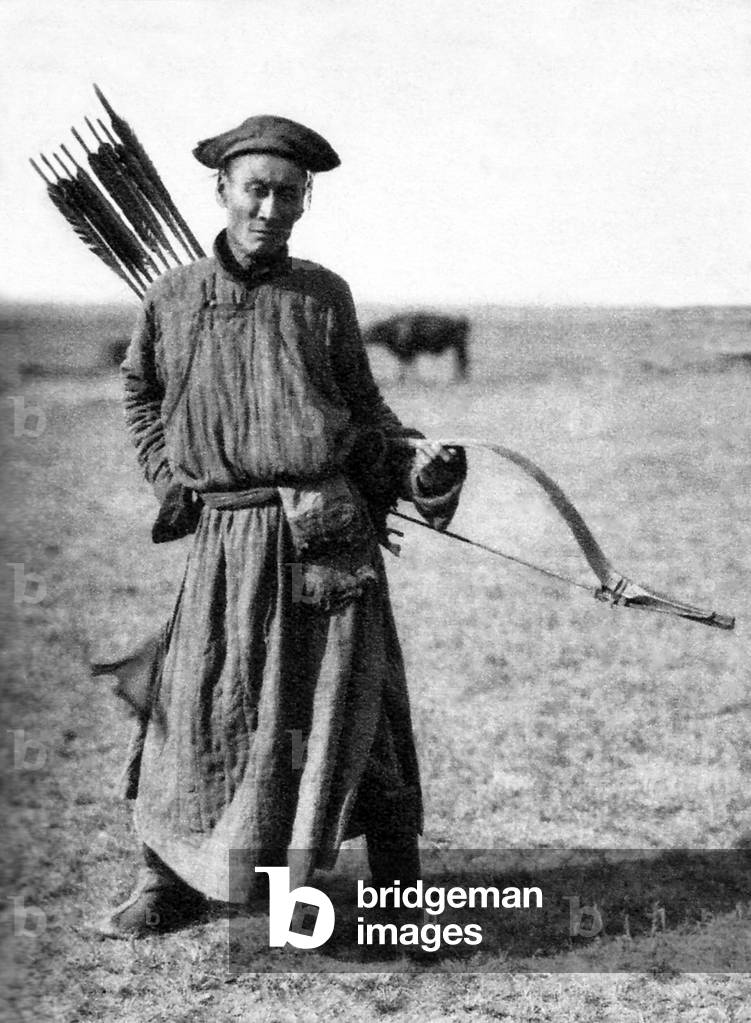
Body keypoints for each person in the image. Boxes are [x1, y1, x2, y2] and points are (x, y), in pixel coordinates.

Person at [97, 115, 466, 937]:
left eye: (288, 193)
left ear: (305, 201)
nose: (270, 206)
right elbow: (141, 396)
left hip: (326, 535)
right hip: (228, 542)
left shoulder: (323, 296)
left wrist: (415, 467)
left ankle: (398, 888)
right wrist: (170, 475)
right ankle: (167, 879)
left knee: (356, 707)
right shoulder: (173, 296)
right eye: (255, 189)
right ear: (223, 191)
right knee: (197, 704)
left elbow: (364, 412)